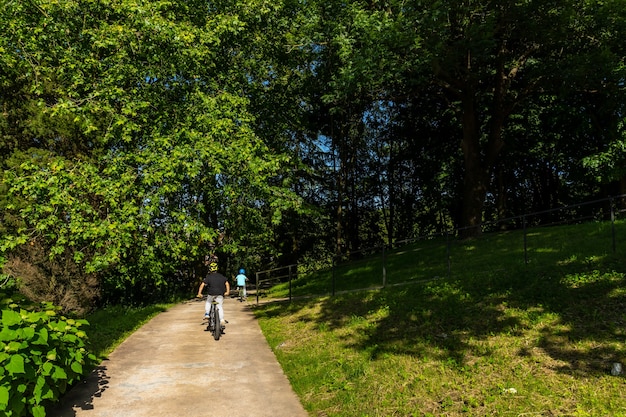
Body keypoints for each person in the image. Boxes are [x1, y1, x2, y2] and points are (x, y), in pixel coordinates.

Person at [197, 258, 230, 328]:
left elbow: (202, 285)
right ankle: (221, 319)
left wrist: (199, 293)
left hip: (211, 293)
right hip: (220, 294)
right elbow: (227, 283)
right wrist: (227, 292)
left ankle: (206, 314)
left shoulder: (208, 277)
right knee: (220, 306)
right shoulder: (222, 276)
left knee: (208, 302)